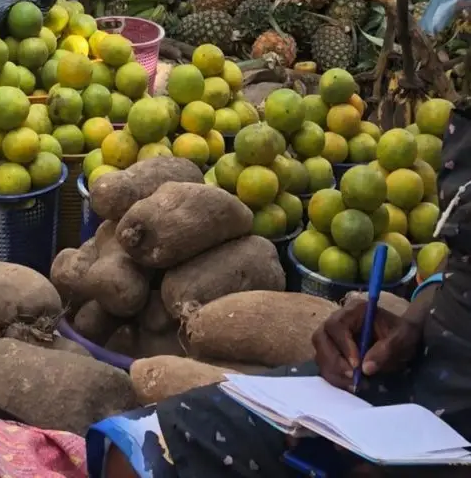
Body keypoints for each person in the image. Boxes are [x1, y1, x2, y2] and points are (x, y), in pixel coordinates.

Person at [91, 104, 471, 478]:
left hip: (455, 439)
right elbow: (460, 260)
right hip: (415, 375)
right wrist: (418, 316)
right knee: (143, 450)